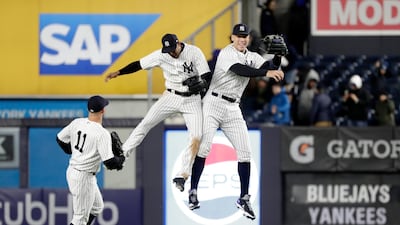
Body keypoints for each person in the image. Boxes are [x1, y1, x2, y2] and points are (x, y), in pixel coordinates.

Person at [188, 23, 284, 220]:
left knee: (245, 152)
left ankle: (244, 198)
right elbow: (241, 70)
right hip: (213, 103)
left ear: (248, 38)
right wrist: (265, 73)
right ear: (232, 37)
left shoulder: (251, 56)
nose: (242, 39)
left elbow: (270, 67)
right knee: (204, 148)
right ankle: (193, 191)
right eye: (238, 36)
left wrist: (278, 56)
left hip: (233, 107)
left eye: (245, 36)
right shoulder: (226, 53)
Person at [105, 33, 211, 192]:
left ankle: (182, 175)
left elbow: (207, 75)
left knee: (196, 137)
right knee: (145, 123)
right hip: (170, 96)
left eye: (172, 48)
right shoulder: (161, 55)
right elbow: (138, 64)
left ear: (178, 43)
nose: (171, 52)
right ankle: (122, 155)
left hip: (191, 100)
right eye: (167, 49)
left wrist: (202, 84)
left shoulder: (194, 52)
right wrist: (118, 72)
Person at [56, 95, 125, 225]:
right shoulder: (102, 133)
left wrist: (72, 151)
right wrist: (121, 159)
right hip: (83, 177)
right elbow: (109, 163)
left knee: (97, 207)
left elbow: (59, 138)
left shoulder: (77, 122)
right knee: (79, 219)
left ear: (89, 110)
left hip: (73, 171)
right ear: (103, 111)